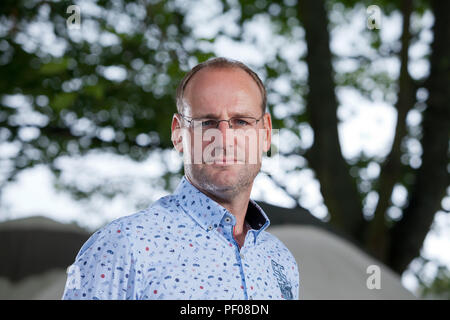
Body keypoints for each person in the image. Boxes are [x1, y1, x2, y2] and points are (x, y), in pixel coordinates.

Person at [62, 57, 300, 300]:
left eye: (241, 121)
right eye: (207, 122)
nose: (224, 139)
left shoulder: (280, 260)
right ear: (178, 134)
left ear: (266, 134)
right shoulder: (122, 246)